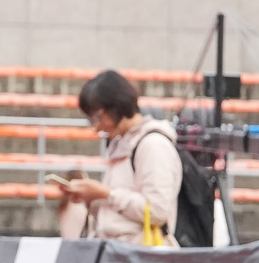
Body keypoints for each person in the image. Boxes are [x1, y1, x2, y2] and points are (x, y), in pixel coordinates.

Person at [42, 70, 181, 244]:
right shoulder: (122, 144)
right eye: (92, 120)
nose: (96, 127)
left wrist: (106, 193)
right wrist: (92, 197)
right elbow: (118, 213)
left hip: (140, 253)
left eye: (98, 117)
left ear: (117, 107)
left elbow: (157, 211)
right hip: (119, 251)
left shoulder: (153, 145)